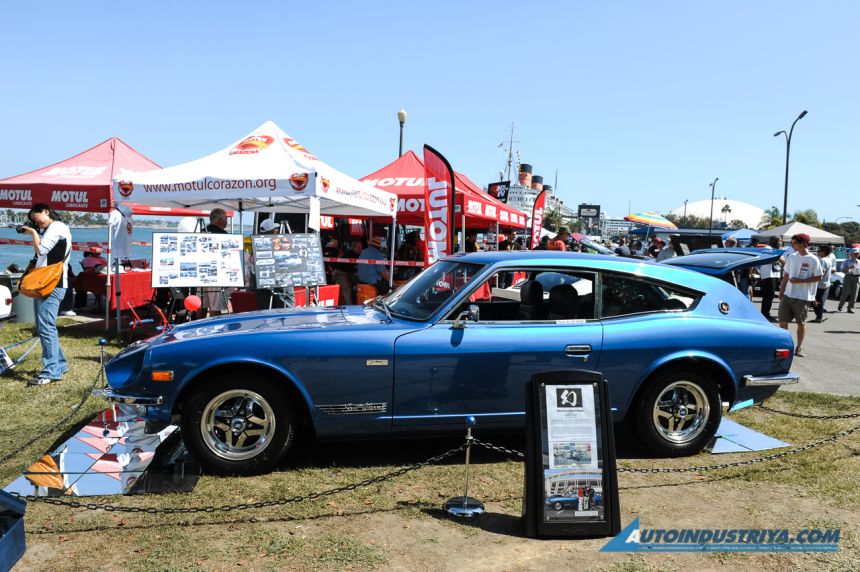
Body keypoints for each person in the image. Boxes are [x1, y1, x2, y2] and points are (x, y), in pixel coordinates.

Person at [19, 204, 72, 386]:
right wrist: (36, 232)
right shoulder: (50, 229)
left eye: (36, 218)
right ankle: (60, 365)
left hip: (53, 285)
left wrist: (33, 234)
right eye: (33, 221)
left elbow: (41, 250)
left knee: (46, 327)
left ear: (46, 212)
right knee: (44, 327)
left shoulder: (56, 227)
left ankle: (51, 372)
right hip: (46, 284)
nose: (36, 223)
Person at [778, 234, 823, 357]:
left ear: (803, 243)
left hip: (803, 297)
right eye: (791, 243)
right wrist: (781, 291)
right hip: (788, 294)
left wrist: (800, 281)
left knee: (800, 323)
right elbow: (786, 275)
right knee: (782, 321)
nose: (792, 245)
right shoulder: (792, 257)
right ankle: (784, 345)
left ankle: (799, 347)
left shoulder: (813, 259)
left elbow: (819, 276)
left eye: (794, 243)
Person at [758, 236, 782, 322]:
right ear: (774, 241)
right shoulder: (768, 248)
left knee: (770, 296)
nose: (781, 243)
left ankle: (766, 314)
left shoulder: (776, 249)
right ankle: (765, 315)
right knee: (768, 296)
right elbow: (773, 258)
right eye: (779, 241)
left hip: (774, 274)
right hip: (768, 274)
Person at [811, 245, 832, 323]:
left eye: (819, 250)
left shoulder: (823, 260)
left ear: (823, 252)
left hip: (820, 284)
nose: (817, 252)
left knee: (817, 301)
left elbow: (821, 273)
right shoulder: (828, 259)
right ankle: (819, 316)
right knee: (818, 300)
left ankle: (819, 317)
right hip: (825, 283)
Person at [838, 248, 860, 313]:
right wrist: (849, 268)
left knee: (855, 293)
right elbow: (842, 270)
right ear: (851, 254)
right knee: (845, 293)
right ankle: (840, 305)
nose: (856, 255)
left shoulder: (859, 262)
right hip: (848, 277)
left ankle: (850, 307)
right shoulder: (846, 261)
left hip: (857, 277)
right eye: (855, 253)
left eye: (857, 253)